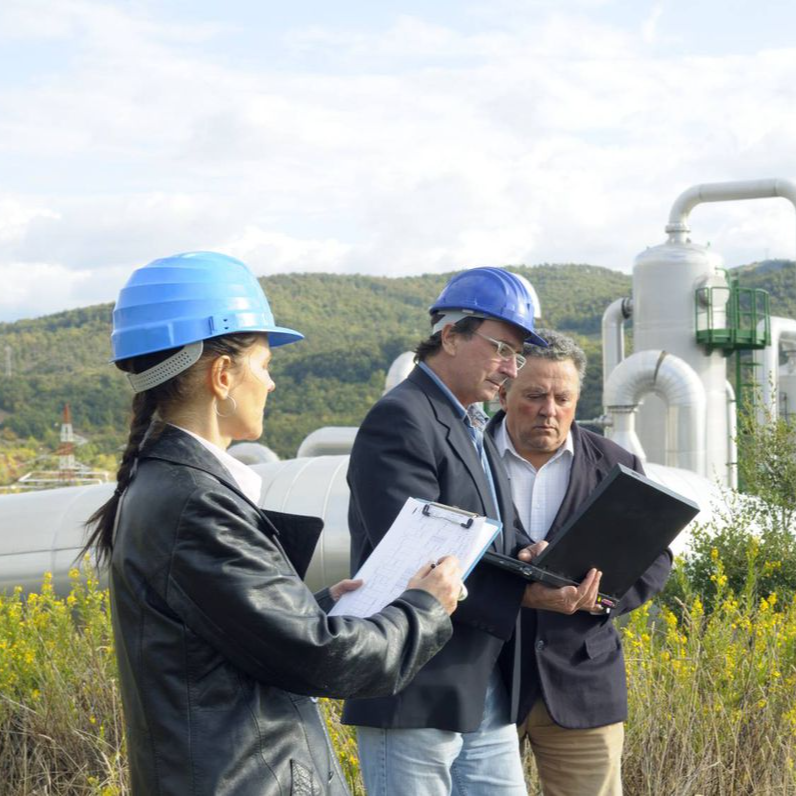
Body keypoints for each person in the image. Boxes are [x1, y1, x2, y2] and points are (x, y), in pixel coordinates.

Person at [82, 251, 464, 796]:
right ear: (221, 375)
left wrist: (316, 608)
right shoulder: (196, 504)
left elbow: (230, 638)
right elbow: (321, 659)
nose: (271, 384)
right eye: (265, 365)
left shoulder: (169, 487)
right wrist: (425, 608)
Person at [343, 267, 549, 796]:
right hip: (413, 681)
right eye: (502, 348)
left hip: (479, 682)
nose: (510, 369)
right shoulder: (402, 418)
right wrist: (529, 590)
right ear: (450, 334)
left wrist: (537, 556)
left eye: (518, 356)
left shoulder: (474, 426)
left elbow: (496, 537)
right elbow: (420, 560)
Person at [489, 328, 672, 796]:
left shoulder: (616, 463)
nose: (550, 410)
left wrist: (598, 598)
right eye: (534, 395)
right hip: (482, 680)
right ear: (505, 391)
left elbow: (655, 559)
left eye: (562, 397)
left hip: (582, 684)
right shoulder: (467, 456)